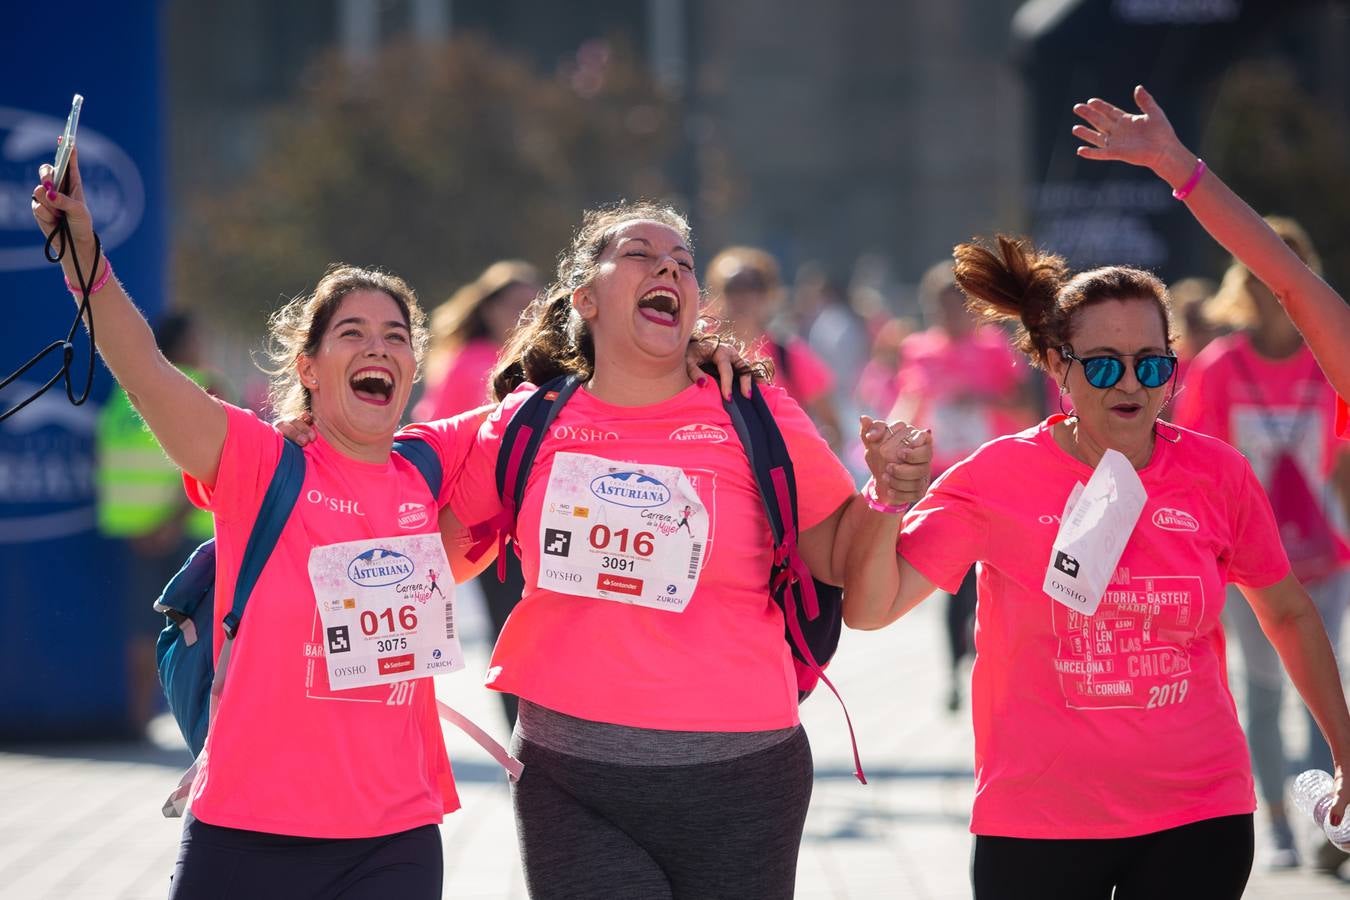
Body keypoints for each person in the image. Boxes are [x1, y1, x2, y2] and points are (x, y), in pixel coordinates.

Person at [403, 201, 930, 899]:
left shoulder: (753, 411)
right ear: (585, 297)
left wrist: (886, 495)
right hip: (571, 776)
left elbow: (838, 557)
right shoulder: (530, 421)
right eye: (643, 255)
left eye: (683, 262)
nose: (669, 270)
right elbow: (433, 566)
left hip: (743, 774)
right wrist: (322, 469)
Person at [839, 226, 1350, 898]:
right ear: (1057, 366)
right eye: (1104, 364)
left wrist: (1345, 753)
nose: (1131, 382)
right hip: (1037, 822)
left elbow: (1286, 613)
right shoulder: (996, 476)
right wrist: (886, 501)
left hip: (1199, 814)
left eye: (1152, 362)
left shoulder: (1216, 473)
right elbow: (872, 609)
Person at [33, 150, 484, 899]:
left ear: (412, 367)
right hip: (247, 833)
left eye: (396, 335)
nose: (378, 346)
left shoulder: (432, 464)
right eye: (353, 333)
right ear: (307, 367)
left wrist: (701, 363)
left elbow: (557, 406)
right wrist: (84, 256)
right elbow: (147, 371)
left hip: (396, 840)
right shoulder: (260, 461)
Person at [1171, 217, 1350, 869]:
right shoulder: (1218, 369)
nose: (1277, 289)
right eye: (1262, 274)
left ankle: (1325, 817)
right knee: (1263, 688)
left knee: (1323, 684)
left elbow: (1346, 459)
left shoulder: (1332, 356)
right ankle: (1274, 820)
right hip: (1246, 561)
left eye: (1289, 273)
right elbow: (1196, 467)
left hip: (1327, 555)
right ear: (1243, 283)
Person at [1076, 84, 1350, 433]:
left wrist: (1173, 162)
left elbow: (1290, 281)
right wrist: (1172, 162)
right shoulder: (1220, 364)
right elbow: (1288, 280)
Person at [887, 261, 1038, 712]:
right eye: (940, 308)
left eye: (956, 307)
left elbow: (1025, 407)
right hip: (940, 476)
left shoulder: (993, 349)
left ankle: (994, 658)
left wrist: (983, 398)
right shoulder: (918, 349)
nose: (949, 316)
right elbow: (909, 402)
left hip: (990, 475)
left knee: (989, 573)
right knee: (948, 579)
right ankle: (956, 667)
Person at [414, 260, 542, 729]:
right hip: (489, 524)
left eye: (535, 305)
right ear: (488, 309)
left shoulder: (547, 363)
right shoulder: (469, 361)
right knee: (511, 632)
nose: (526, 314)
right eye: (515, 305)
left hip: (543, 519)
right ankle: (521, 737)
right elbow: (438, 437)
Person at [96, 311, 228, 735]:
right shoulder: (201, 386)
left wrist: (146, 524)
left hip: (135, 532)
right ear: (185, 345)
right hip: (185, 532)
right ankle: (209, 725)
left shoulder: (129, 393)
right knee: (208, 632)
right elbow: (217, 463)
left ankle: (138, 721)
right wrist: (171, 521)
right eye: (198, 340)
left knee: (142, 627)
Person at [706, 246, 846, 454]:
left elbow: (835, 429)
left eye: (754, 286)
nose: (744, 297)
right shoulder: (698, 354)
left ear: (770, 295)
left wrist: (801, 456)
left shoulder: (790, 356)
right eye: (733, 287)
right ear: (716, 294)